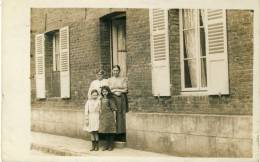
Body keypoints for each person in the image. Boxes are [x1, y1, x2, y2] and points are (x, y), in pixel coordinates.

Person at [108, 65, 128, 139]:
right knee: (114, 114)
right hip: (113, 98)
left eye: (117, 70)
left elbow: (125, 90)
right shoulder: (109, 80)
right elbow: (108, 90)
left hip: (121, 98)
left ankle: (121, 133)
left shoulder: (123, 79)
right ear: (112, 71)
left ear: (119, 71)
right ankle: (114, 133)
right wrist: (114, 91)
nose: (115, 72)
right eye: (114, 70)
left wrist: (117, 90)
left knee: (121, 114)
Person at [99, 86, 118, 151]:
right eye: (103, 91)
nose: (104, 93)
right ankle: (106, 145)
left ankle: (111, 145)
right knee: (105, 131)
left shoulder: (110, 99)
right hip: (103, 117)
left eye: (106, 91)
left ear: (108, 92)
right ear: (101, 92)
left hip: (110, 117)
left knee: (111, 131)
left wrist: (115, 118)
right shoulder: (101, 99)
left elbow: (114, 109)